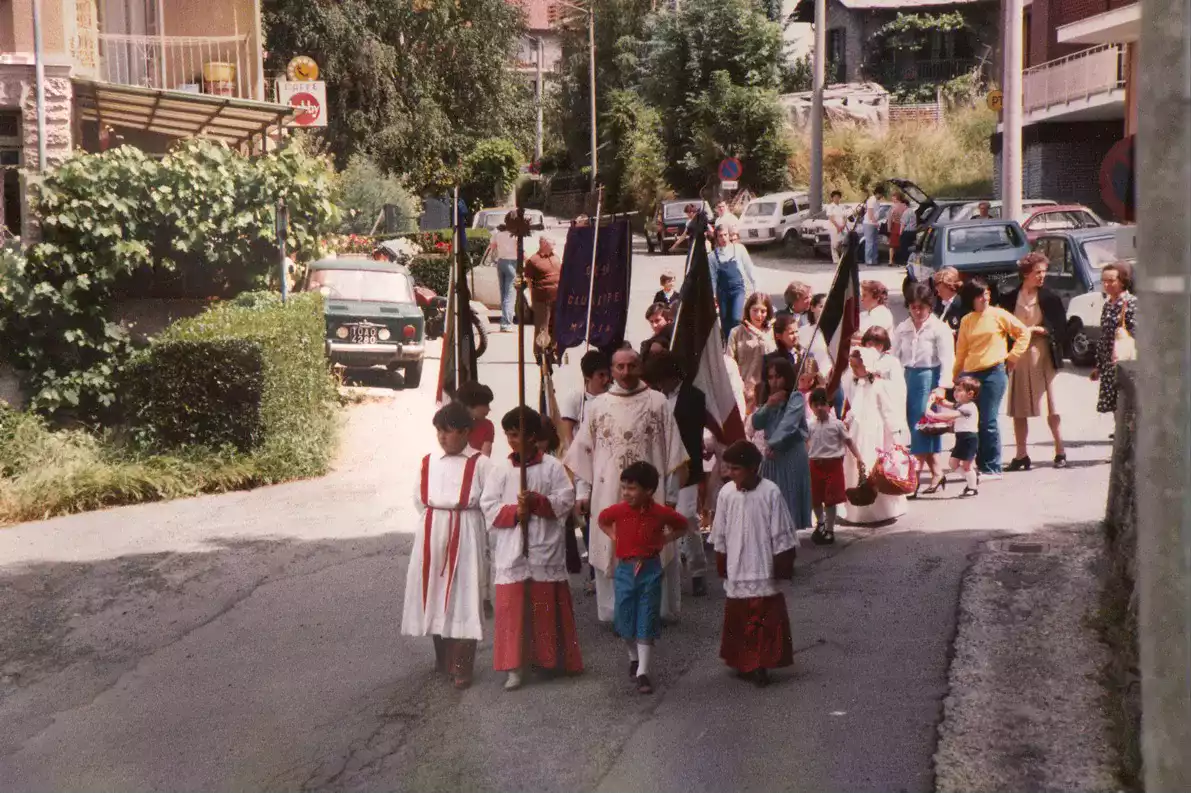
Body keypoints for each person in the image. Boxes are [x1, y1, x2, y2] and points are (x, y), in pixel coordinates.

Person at [563, 348, 688, 624]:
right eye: (619, 367)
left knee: (651, 543)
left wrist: (671, 496)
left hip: (650, 494)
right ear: (612, 369)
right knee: (612, 545)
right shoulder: (597, 406)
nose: (626, 372)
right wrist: (583, 492)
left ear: (640, 367)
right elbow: (584, 452)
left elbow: (673, 454)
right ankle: (613, 612)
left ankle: (656, 610)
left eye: (632, 365)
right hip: (609, 495)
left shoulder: (658, 403)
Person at [481, 408, 582, 690]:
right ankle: (514, 666)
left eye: (517, 435)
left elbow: (565, 498)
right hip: (513, 546)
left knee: (543, 602)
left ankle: (548, 660)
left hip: (542, 544)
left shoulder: (551, 466)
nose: (512, 441)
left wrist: (538, 502)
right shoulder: (500, 470)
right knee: (512, 606)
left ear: (533, 436)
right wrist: (516, 511)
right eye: (508, 435)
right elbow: (488, 506)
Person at [401, 402, 490, 690]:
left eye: (448, 432)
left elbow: (490, 503)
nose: (442, 437)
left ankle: (462, 665)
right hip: (432, 529)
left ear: (465, 432)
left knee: (464, 595)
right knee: (434, 594)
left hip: (465, 530)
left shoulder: (481, 464)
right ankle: (443, 658)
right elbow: (418, 499)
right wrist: (436, 524)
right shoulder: (429, 461)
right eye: (438, 431)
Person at [710, 440, 798, 687]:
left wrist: (782, 564)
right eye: (729, 468)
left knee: (763, 615)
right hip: (737, 565)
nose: (730, 473)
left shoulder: (770, 492)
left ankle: (760, 664)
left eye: (736, 469)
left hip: (762, 564)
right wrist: (722, 560)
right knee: (740, 615)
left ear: (752, 468)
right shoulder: (727, 494)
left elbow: (781, 531)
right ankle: (742, 661)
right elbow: (720, 531)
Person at [597, 461, 689, 695]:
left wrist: (665, 541)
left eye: (632, 488)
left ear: (648, 491)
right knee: (624, 617)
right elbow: (602, 519)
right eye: (624, 487)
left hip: (650, 569)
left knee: (647, 617)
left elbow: (682, 525)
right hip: (625, 571)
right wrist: (613, 535)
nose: (626, 493)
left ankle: (643, 673)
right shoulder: (618, 510)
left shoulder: (661, 513)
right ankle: (633, 658)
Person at [643, 350, 711, 604]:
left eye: (663, 379)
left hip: (685, 466)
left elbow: (692, 435)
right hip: (657, 467)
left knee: (686, 517)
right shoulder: (651, 397)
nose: (660, 385)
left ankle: (697, 570)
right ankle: (665, 571)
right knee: (658, 520)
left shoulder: (694, 397)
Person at [953, 277, 1032, 478]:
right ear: (971, 298)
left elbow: (1023, 333)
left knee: (988, 420)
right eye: (980, 295)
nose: (984, 298)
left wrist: (1013, 357)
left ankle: (992, 466)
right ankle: (978, 463)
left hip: (993, 372)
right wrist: (955, 377)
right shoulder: (967, 320)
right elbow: (961, 352)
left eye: (987, 293)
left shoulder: (998, 315)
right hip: (971, 374)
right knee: (973, 421)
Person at [998, 252, 1069, 471]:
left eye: (1044, 272)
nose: (1042, 276)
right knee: (1019, 407)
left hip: (1043, 352)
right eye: (1037, 272)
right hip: (1019, 354)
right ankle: (1021, 455)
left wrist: (1044, 330)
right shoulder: (1010, 298)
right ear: (1026, 274)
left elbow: (1061, 328)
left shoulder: (1050, 298)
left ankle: (1060, 451)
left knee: (1052, 405)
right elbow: (1001, 326)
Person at [892, 283, 955, 492]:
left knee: (922, 424)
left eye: (922, 307)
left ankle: (915, 476)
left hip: (929, 376)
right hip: (908, 377)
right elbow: (894, 356)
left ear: (930, 306)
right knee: (916, 425)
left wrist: (942, 387)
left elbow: (948, 359)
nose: (917, 312)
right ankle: (937, 472)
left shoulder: (939, 328)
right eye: (913, 307)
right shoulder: (903, 328)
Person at [559, 349, 612, 592]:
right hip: (583, 466)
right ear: (588, 377)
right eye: (601, 375)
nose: (606, 380)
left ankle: (610, 569)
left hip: (608, 465)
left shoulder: (612, 398)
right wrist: (576, 461)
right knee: (588, 518)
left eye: (607, 374)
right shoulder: (575, 399)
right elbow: (567, 434)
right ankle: (594, 573)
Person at [841, 347, 910, 524]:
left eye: (856, 367)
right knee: (857, 464)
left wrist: (895, 434)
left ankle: (881, 509)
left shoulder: (880, 385)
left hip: (875, 429)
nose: (854, 370)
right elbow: (854, 407)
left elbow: (888, 410)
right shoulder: (856, 384)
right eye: (852, 367)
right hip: (858, 429)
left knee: (874, 465)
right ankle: (858, 510)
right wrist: (847, 421)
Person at [751, 357, 813, 532]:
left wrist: (772, 444)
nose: (774, 381)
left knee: (788, 496)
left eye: (778, 376)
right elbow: (756, 423)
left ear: (787, 377)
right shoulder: (769, 399)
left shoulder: (796, 398)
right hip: (772, 455)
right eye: (770, 377)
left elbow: (789, 424)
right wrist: (769, 405)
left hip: (790, 453)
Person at [806, 387, 864, 545]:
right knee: (816, 499)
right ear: (810, 407)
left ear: (828, 405)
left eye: (822, 404)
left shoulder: (837, 424)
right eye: (815, 405)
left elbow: (849, 442)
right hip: (815, 464)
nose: (819, 408)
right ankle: (820, 523)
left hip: (833, 464)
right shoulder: (810, 426)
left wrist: (858, 457)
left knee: (830, 500)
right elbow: (806, 443)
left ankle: (830, 530)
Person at [1091, 261, 1138, 415]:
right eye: (1104, 281)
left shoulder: (1131, 303)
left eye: (1111, 280)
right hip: (1109, 364)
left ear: (1122, 281)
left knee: (1125, 401)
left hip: (1124, 362)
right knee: (1114, 404)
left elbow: (1137, 334)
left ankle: (1126, 435)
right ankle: (1118, 434)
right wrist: (1098, 365)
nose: (1106, 285)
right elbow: (1103, 336)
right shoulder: (1108, 305)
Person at [930, 377, 982, 497]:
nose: (955, 393)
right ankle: (971, 478)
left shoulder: (969, 407)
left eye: (959, 390)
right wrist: (940, 401)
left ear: (970, 394)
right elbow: (951, 405)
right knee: (953, 463)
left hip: (969, 439)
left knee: (966, 465)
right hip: (961, 438)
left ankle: (972, 486)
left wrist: (933, 415)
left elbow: (951, 415)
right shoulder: (962, 404)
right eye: (955, 389)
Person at [727, 292, 777, 416]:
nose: (759, 315)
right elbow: (729, 362)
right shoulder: (736, 332)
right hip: (742, 390)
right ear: (748, 310)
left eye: (763, 311)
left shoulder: (772, 332)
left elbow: (774, 356)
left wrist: (761, 335)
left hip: (765, 391)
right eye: (755, 310)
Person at [710, 227, 759, 339]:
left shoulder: (739, 249)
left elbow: (749, 268)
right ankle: (728, 349)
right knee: (725, 322)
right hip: (722, 292)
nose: (723, 238)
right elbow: (712, 277)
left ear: (729, 235)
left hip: (738, 289)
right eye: (720, 236)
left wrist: (756, 286)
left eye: (725, 235)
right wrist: (713, 295)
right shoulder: (712, 256)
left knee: (736, 318)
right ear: (716, 238)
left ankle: (739, 344)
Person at [525, 236, 561, 356]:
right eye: (552, 243)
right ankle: (539, 353)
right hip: (542, 299)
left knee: (556, 325)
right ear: (544, 244)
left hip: (557, 298)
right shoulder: (533, 260)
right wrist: (532, 298)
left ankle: (553, 350)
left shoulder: (555, 257)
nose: (554, 245)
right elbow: (529, 281)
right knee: (542, 327)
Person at [487, 211, 521, 332]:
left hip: (501, 262)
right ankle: (506, 323)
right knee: (510, 294)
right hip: (513, 262)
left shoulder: (499, 232)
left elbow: (492, 246)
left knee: (503, 294)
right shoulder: (516, 234)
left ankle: (504, 320)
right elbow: (521, 251)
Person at [758, 314, 802, 405]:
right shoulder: (769, 359)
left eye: (796, 332)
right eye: (791, 333)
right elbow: (765, 390)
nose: (795, 336)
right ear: (779, 336)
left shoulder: (804, 355)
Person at [457, 380, 495, 457]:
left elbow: (485, 457)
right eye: (486, 404)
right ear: (470, 404)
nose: (489, 409)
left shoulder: (487, 425)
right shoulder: (452, 425)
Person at [933, 267, 967, 337]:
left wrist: (952, 332)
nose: (938, 294)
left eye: (940, 290)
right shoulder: (940, 302)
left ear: (950, 287)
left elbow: (966, 329)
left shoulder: (961, 305)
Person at [861, 184, 885, 266]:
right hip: (869, 223)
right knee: (869, 242)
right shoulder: (871, 200)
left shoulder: (877, 201)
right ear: (878, 193)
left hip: (874, 223)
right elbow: (870, 214)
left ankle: (874, 260)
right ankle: (868, 260)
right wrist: (875, 222)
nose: (882, 196)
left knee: (875, 242)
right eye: (881, 194)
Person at [826, 190, 850, 265]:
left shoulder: (842, 206)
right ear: (832, 198)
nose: (836, 198)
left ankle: (843, 258)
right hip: (834, 227)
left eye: (838, 197)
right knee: (835, 243)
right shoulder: (830, 207)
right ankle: (836, 259)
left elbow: (845, 216)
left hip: (842, 227)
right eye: (835, 197)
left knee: (843, 242)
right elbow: (831, 218)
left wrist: (843, 225)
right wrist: (837, 227)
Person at [897, 195, 918, 265]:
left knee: (904, 247)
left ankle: (904, 261)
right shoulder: (912, 211)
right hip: (913, 232)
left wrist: (900, 233)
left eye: (901, 205)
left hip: (907, 232)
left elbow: (903, 224)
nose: (900, 206)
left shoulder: (906, 212)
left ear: (904, 204)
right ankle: (910, 260)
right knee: (910, 247)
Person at [887, 193, 907, 266]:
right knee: (902, 244)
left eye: (893, 198)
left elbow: (889, 219)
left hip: (895, 226)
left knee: (892, 245)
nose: (892, 199)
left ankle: (890, 261)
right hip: (904, 225)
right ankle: (901, 260)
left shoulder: (893, 207)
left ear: (897, 198)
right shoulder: (905, 207)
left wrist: (888, 228)